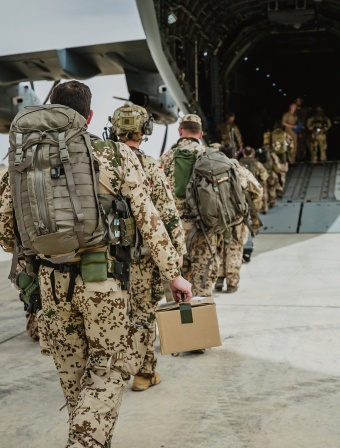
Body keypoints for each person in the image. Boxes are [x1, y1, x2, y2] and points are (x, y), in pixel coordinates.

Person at [0, 80, 192, 448]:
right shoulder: (116, 155)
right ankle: (85, 442)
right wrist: (175, 275)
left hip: (50, 286)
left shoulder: (23, 159)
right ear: (88, 116)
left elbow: (7, 231)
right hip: (101, 281)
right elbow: (150, 219)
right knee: (108, 368)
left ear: (52, 108)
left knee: (72, 374)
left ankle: (86, 433)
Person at [109, 102, 186, 392]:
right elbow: (167, 213)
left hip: (105, 257)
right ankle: (144, 373)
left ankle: (113, 371)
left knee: (114, 315)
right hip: (140, 259)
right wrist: (176, 256)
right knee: (142, 315)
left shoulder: (101, 161)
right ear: (145, 130)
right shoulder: (149, 165)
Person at [160, 114, 219, 297]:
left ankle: (182, 323)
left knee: (178, 286)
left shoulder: (166, 158)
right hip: (204, 227)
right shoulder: (209, 155)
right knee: (203, 284)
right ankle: (204, 322)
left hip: (174, 231)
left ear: (180, 131)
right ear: (200, 134)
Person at [215, 144, 263, 293]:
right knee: (234, 249)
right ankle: (232, 283)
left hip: (217, 218)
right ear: (235, 155)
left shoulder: (214, 171)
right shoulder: (241, 171)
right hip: (236, 218)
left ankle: (219, 278)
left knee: (218, 248)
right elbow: (258, 191)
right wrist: (250, 209)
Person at [239, 146, 269, 214]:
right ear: (252, 154)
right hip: (255, 187)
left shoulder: (239, 164)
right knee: (263, 189)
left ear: (243, 154)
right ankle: (264, 208)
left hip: (243, 188)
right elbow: (264, 175)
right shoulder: (256, 163)